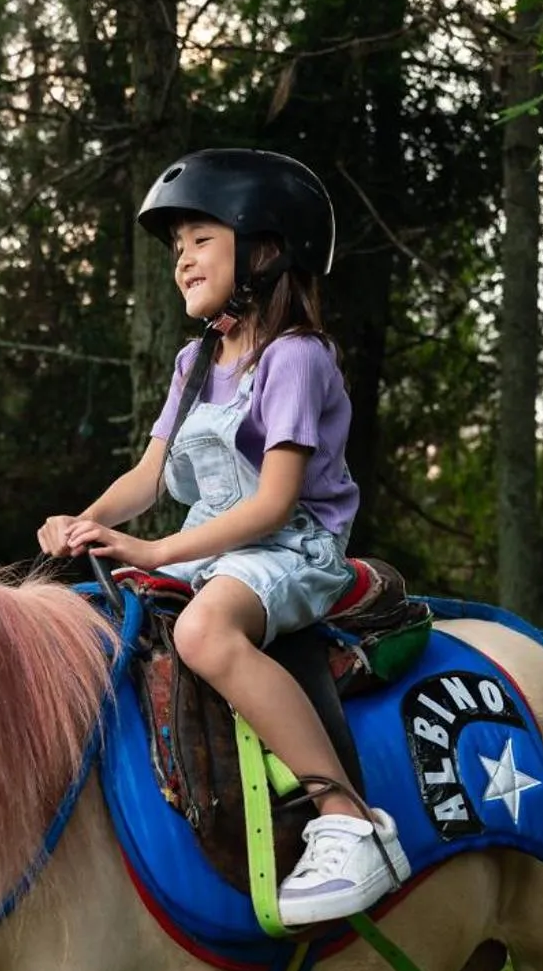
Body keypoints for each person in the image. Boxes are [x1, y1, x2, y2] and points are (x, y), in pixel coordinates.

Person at [36, 149, 405, 928]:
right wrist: (88, 520)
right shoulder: (195, 360)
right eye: (177, 250)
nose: (184, 260)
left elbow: (273, 504)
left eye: (201, 238)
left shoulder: (296, 359)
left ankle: (346, 818)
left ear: (266, 247)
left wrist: (156, 551)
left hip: (289, 548)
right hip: (212, 546)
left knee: (204, 629)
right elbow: (150, 473)